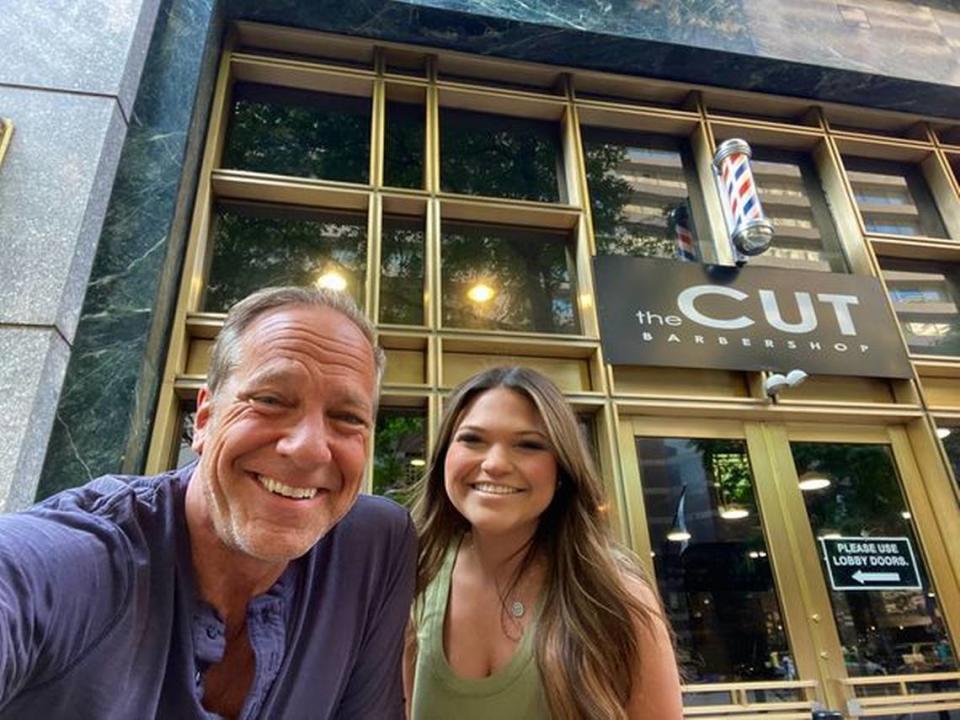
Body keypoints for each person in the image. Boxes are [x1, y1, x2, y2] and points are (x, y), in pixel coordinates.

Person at [0, 287, 416, 719]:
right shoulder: (85, 560)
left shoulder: (371, 547)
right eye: (270, 400)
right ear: (204, 418)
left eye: (347, 418)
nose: (310, 449)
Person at [405, 366, 683, 719]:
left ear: (562, 470)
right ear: (444, 455)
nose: (495, 464)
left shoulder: (614, 593)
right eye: (472, 439)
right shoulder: (413, 580)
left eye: (529, 445)